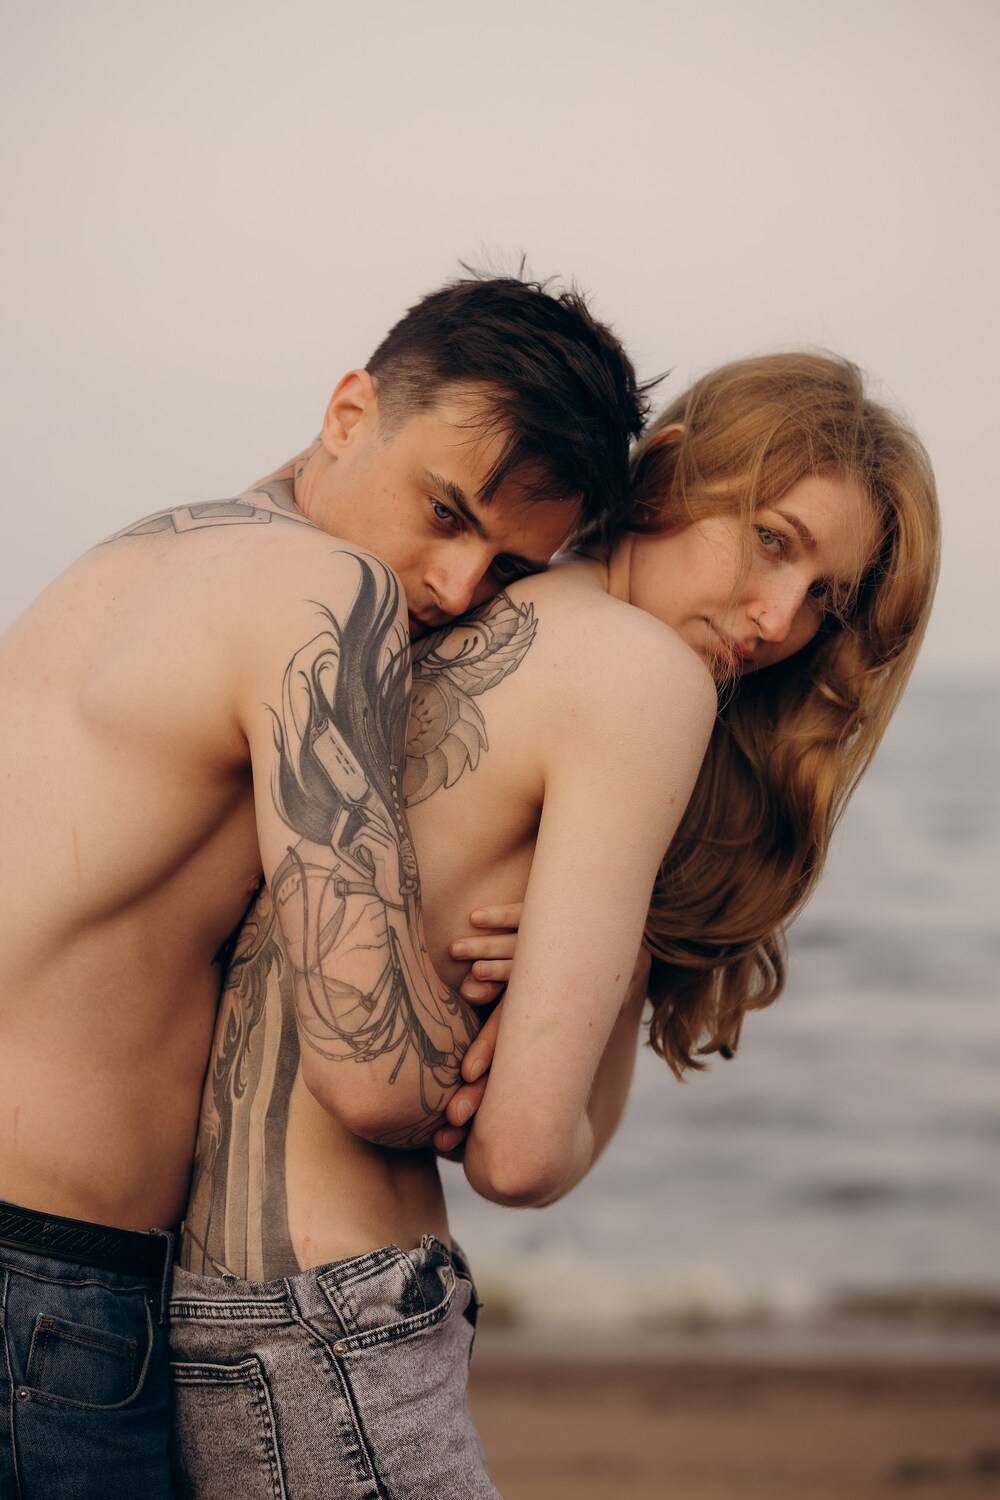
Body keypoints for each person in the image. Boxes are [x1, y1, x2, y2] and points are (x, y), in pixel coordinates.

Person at [169, 352, 940, 1498]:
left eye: (827, 597)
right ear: (668, 470)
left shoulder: (465, 609)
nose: (780, 619)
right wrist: (616, 965)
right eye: (771, 540)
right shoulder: (643, 679)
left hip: (201, 1302)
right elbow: (521, 1155)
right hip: (340, 1315)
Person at [0, 272, 645, 1500]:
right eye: (445, 512)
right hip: (44, 1287)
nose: (455, 584)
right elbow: (374, 1075)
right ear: (350, 411)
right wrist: (574, 980)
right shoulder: (329, 593)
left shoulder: (145, 552)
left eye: (510, 566)